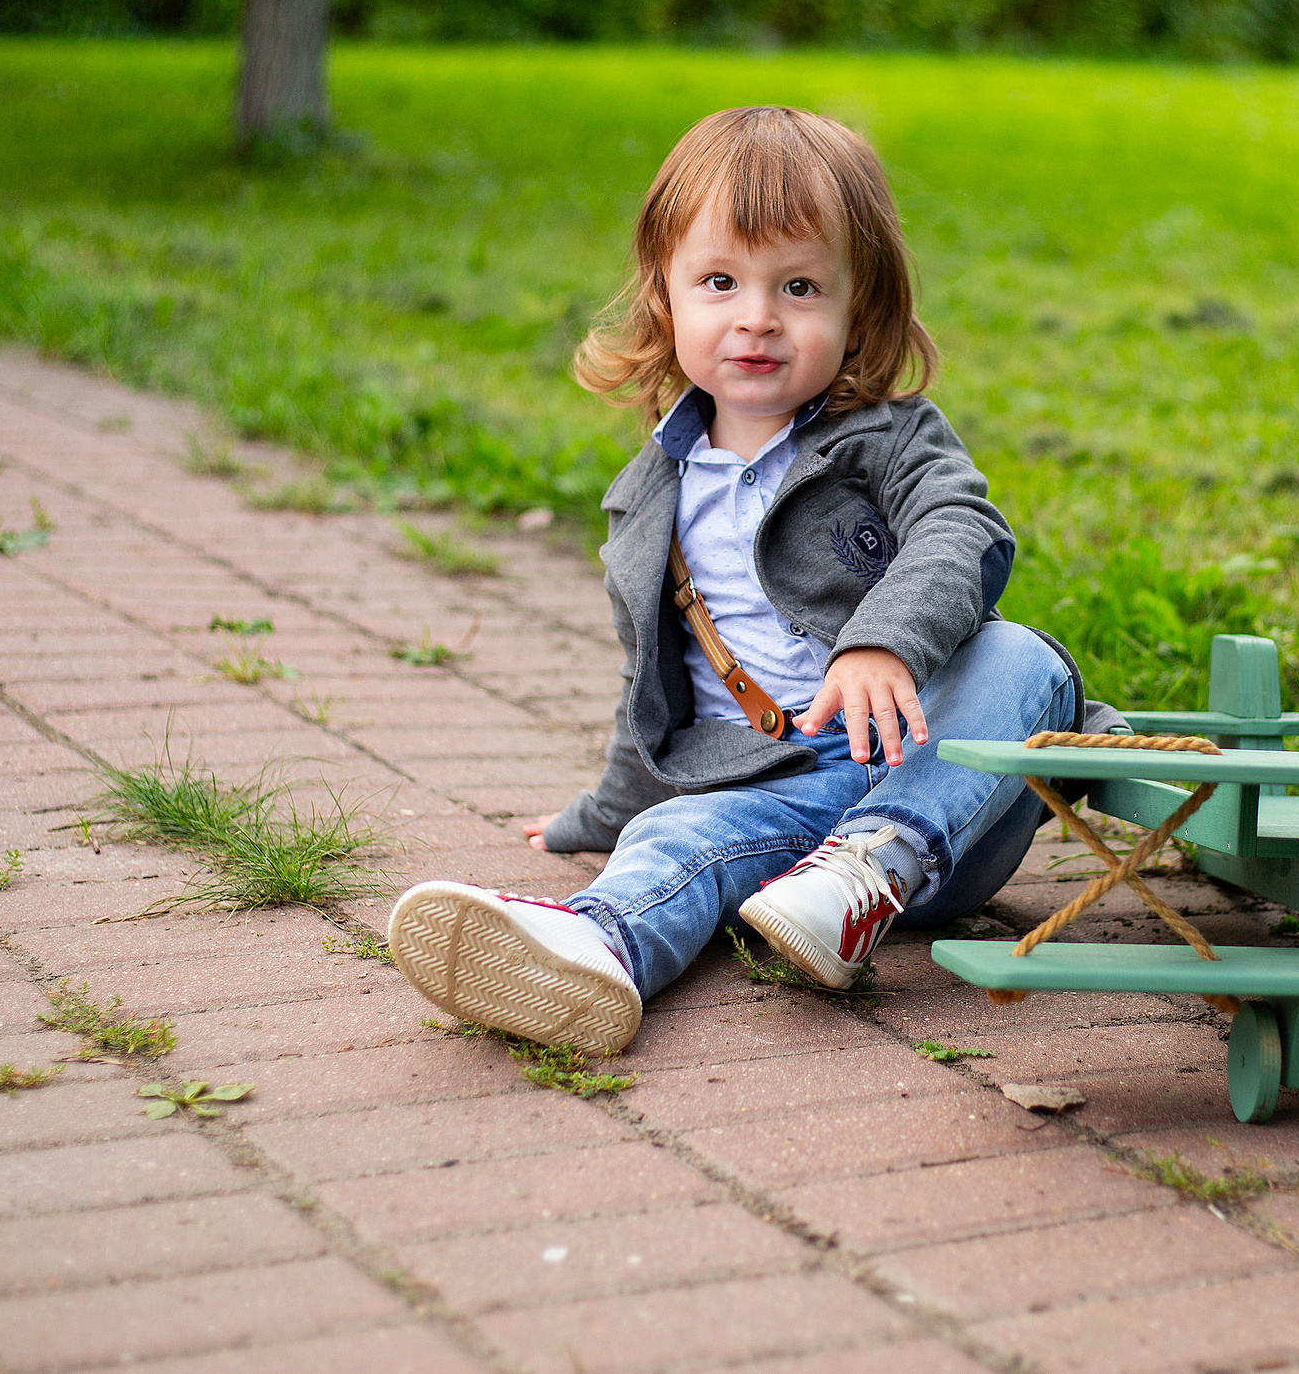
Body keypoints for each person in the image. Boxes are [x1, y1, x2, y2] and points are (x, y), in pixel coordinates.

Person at [388, 106, 1111, 1057]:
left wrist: (882, 639)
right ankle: (595, 945)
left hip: (937, 781)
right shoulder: (651, 495)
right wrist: (593, 816)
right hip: (778, 791)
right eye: (720, 281)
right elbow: (652, 687)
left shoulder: (892, 438)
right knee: (676, 836)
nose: (758, 316)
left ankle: (871, 868)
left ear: (863, 309)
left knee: (1023, 656)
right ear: (666, 299)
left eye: (800, 286)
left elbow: (961, 528)